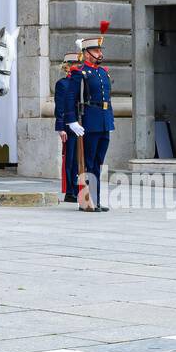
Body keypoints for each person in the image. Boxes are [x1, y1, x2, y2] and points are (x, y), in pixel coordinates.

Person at [65, 21, 113, 212]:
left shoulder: (103, 72)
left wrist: (110, 118)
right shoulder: (79, 72)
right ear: (86, 53)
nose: (100, 54)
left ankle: (96, 200)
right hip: (89, 121)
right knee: (88, 162)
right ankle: (86, 200)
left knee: (99, 162)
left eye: (100, 50)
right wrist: (72, 120)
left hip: (104, 120)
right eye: (96, 51)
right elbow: (71, 98)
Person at [53, 49, 81, 203]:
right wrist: (61, 127)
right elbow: (60, 106)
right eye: (75, 64)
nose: (78, 66)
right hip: (70, 126)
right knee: (70, 159)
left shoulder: (83, 82)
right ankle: (70, 191)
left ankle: (81, 187)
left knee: (81, 158)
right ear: (68, 66)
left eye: (79, 64)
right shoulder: (62, 84)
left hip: (84, 124)